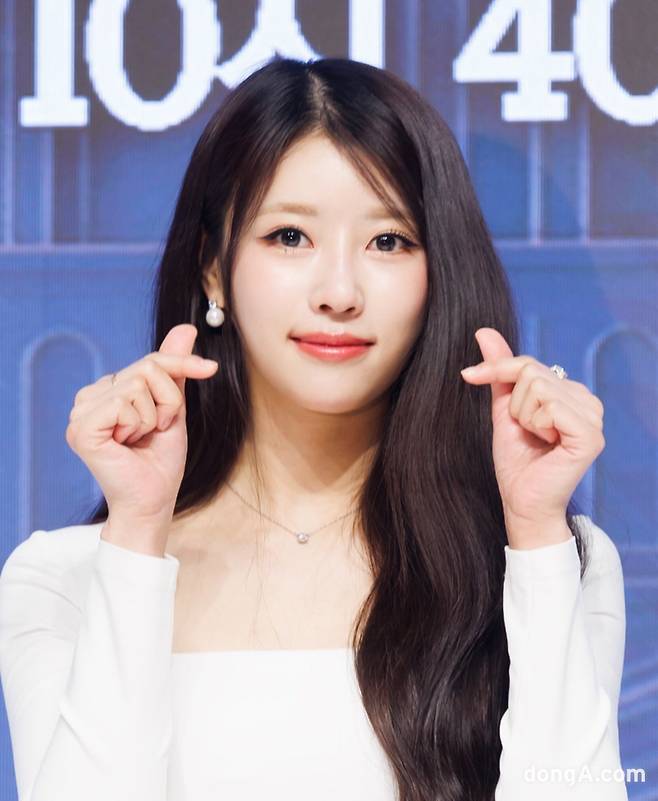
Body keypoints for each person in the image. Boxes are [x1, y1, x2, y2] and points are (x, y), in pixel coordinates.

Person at [0, 57, 627, 801]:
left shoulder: (553, 562)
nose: (338, 291)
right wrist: (136, 531)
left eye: (388, 241)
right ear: (213, 268)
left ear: (440, 273)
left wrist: (534, 533)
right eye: (290, 236)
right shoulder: (66, 579)